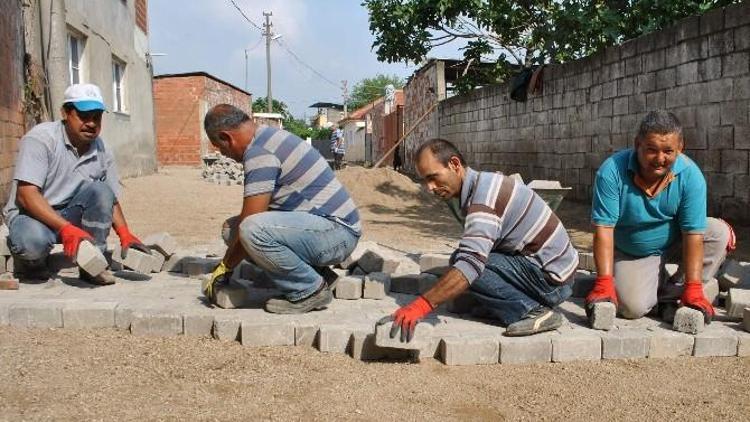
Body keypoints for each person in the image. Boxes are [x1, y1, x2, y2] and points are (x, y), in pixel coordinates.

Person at [378, 138, 579, 340]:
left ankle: (534, 311)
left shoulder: (483, 200)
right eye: (425, 181)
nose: (430, 187)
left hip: (552, 282)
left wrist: (419, 306)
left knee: (470, 267)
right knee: (462, 259)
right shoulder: (483, 183)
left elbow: (470, 264)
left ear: (455, 165)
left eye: (433, 177)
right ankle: (505, 305)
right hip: (551, 270)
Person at [202, 104, 361, 314]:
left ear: (227, 137)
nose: (226, 155)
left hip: (338, 233)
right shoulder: (266, 136)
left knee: (250, 229)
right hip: (328, 229)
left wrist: (224, 268)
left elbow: (252, 219)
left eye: (221, 149)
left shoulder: (259, 153)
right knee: (231, 230)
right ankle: (318, 276)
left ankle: (309, 290)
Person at [587, 110, 734, 325]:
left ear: (680, 148)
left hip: (675, 241)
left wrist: (692, 288)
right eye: (651, 150)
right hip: (633, 251)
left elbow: (693, 234)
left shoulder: (691, 176)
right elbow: (603, 230)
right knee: (631, 307)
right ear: (637, 144)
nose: (660, 159)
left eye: (668, 151)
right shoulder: (611, 172)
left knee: (718, 233)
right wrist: (603, 282)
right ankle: (670, 288)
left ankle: (674, 293)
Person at [2, 83, 149, 285]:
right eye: (84, 116)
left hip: (70, 214)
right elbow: (26, 195)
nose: (91, 123)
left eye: (96, 117)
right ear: (65, 113)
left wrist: (124, 232)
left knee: (100, 190)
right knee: (32, 243)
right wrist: (65, 228)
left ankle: (92, 264)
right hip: (32, 215)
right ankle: (31, 264)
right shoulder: (41, 139)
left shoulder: (102, 149)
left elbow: (109, 197)